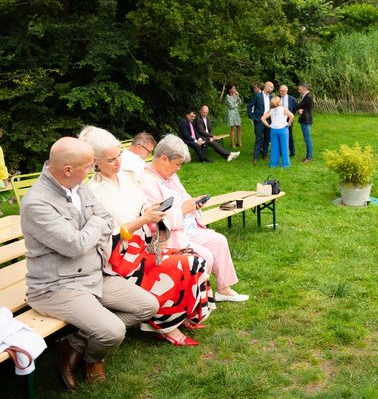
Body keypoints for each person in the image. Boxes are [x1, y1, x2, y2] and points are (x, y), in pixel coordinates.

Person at [21, 137, 158, 390]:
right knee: (113, 331)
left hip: (94, 272)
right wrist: (94, 224)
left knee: (148, 306)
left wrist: (90, 226)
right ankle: (94, 358)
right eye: (88, 166)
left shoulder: (77, 184)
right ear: (67, 169)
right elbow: (75, 245)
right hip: (58, 285)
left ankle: (74, 344)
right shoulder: (36, 203)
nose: (92, 170)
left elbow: (106, 217)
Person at [79, 126, 213, 347]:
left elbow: (140, 204)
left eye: (119, 155)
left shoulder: (127, 177)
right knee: (181, 265)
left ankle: (183, 314)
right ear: (95, 161)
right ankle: (167, 327)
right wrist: (143, 219)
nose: (118, 163)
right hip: (120, 259)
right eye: (111, 159)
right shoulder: (94, 191)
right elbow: (110, 235)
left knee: (194, 259)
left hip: (143, 246)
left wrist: (150, 209)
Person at [140, 134, 249, 302]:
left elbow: (183, 196)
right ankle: (196, 301)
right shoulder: (146, 181)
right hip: (170, 236)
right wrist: (183, 210)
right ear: (163, 159)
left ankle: (223, 289)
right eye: (177, 164)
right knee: (205, 255)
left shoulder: (169, 175)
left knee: (218, 241)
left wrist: (194, 202)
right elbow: (155, 220)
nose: (178, 169)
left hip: (187, 228)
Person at [261, 96, 294, 168]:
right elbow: (292, 116)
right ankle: (285, 165)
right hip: (283, 130)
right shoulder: (283, 109)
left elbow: (262, 118)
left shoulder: (271, 110)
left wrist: (268, 125)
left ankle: (274, 164)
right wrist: (289, 124)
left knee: (274, 148)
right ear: (279, 102)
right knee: (284, 147)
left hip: (273, 130)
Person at [248, 81, 274, 164]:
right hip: (259, 120)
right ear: (266, 87)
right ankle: (255, 157)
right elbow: (249, 106)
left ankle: (265, 154)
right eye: (271, 87)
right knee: (258, 138)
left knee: (267, 138)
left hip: (268, 121)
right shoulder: (257, 96)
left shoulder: (271, 97)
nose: (272, 89)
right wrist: (252, 117)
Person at [279, 84, 297, 157]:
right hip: (280, 120)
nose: (281, 92)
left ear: (287, 91)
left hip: (289, 119)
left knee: (289, 135)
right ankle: (280, 152)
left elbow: (294, 109)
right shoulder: (277, 98)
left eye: (283, 91)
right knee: (280, 135)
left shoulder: (291, 99)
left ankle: (292, 151)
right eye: (280, 91)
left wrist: (290, 118)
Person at [297, 83, 314, 163]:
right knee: (306, 139)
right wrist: (299, 109)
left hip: (306, 120)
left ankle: (309, 157)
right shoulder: (306, 96)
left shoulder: (308, 96)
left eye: (300, 89)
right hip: (305, 119)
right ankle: (308, 156)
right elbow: (301, 107)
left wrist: (299, 108)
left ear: (304, 89)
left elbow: (299, 105)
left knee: (308, 139)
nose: (299, 91)